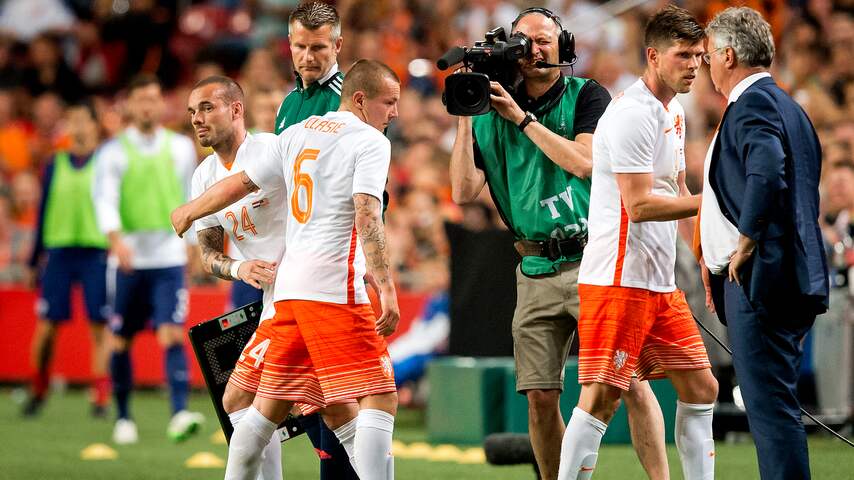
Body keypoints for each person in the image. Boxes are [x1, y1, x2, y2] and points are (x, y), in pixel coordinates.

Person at [448, 7, 669, 480]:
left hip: (595, 259)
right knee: (540, 397)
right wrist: (466, 113)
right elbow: (464, 191)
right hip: (533, 267)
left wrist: (521, 117)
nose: (535, 49)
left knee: (627, 380)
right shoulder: (489, 113)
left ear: (563, 46)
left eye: (545, 40)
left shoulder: (587, 95)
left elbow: (585, 163)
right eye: (525, 40)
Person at [172, 59, 401, 480]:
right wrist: (386, 286)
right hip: (332, 288)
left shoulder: (297, 132)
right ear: (362, 99)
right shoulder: (370, 141)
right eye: (390, 102)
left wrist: (189, 212)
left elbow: (241, 183)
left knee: (259, 402)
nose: (396, 113)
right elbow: (367, 214)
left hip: (289, 290)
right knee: (379, 395)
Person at [560, 5, 719, 479]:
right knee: (601, 397)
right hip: (617, 277)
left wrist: (703, 250)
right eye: (683, 54)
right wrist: (716, 201)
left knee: (702, 386)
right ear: (654, 55)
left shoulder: (672, 111)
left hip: (655, 281)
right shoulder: (632, 113)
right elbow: (641, 205)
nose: (694, 64)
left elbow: (678, 192)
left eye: (699, 55)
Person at [700, 7, 828, 479]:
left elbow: (768, 169)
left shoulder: (751, 104)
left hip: (762, 278)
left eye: (710, 54)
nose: (706, 65)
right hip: (788, 273)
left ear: (728, 55)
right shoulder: (789, 106)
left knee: (770, 412)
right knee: (775, 406)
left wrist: (746, 242)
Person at [270, 3, 360, 477]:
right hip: (298, 267)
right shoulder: (288, 104)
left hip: (335, 269)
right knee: (311, 399)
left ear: (338, 46)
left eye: (319, 47)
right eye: (300, 46)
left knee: (335, 398)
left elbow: (368, 191)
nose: (308, 56)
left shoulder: (350, 99)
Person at [93, 74, 203, 445]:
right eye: (141, 99)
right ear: (129, 105)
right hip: (128, 259)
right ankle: (123, 416)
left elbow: (190, 195)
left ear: (161, 104)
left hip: (168, 256)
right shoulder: (113, 151)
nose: (148, 106)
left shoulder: (180, 147)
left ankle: (179, 413)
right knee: (120, 339)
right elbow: (104, 199)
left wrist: (191, 244)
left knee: (171, 332)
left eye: (153, 99)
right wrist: (116, 241)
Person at [187, 75, 285, 479]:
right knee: (252, 402)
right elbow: (207, 256)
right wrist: (238, 267)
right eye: (193, 111)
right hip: (269, 302)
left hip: (303, 291)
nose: (197, 119)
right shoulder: (203, 176)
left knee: (247, 400)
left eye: (207, 107)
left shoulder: (273, 150)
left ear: (237, 110)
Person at [23, 99, 110, 418]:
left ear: (93, 124)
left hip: (95, 250)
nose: (75, 127)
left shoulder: (106, 162)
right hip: (59, 252)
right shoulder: (54, 164)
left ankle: (99, 396)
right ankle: (38, 388)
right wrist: (34, 260)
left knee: (99, 326)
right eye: (70, 120)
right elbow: (43, 212)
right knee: (47, 326)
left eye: (81, 120)